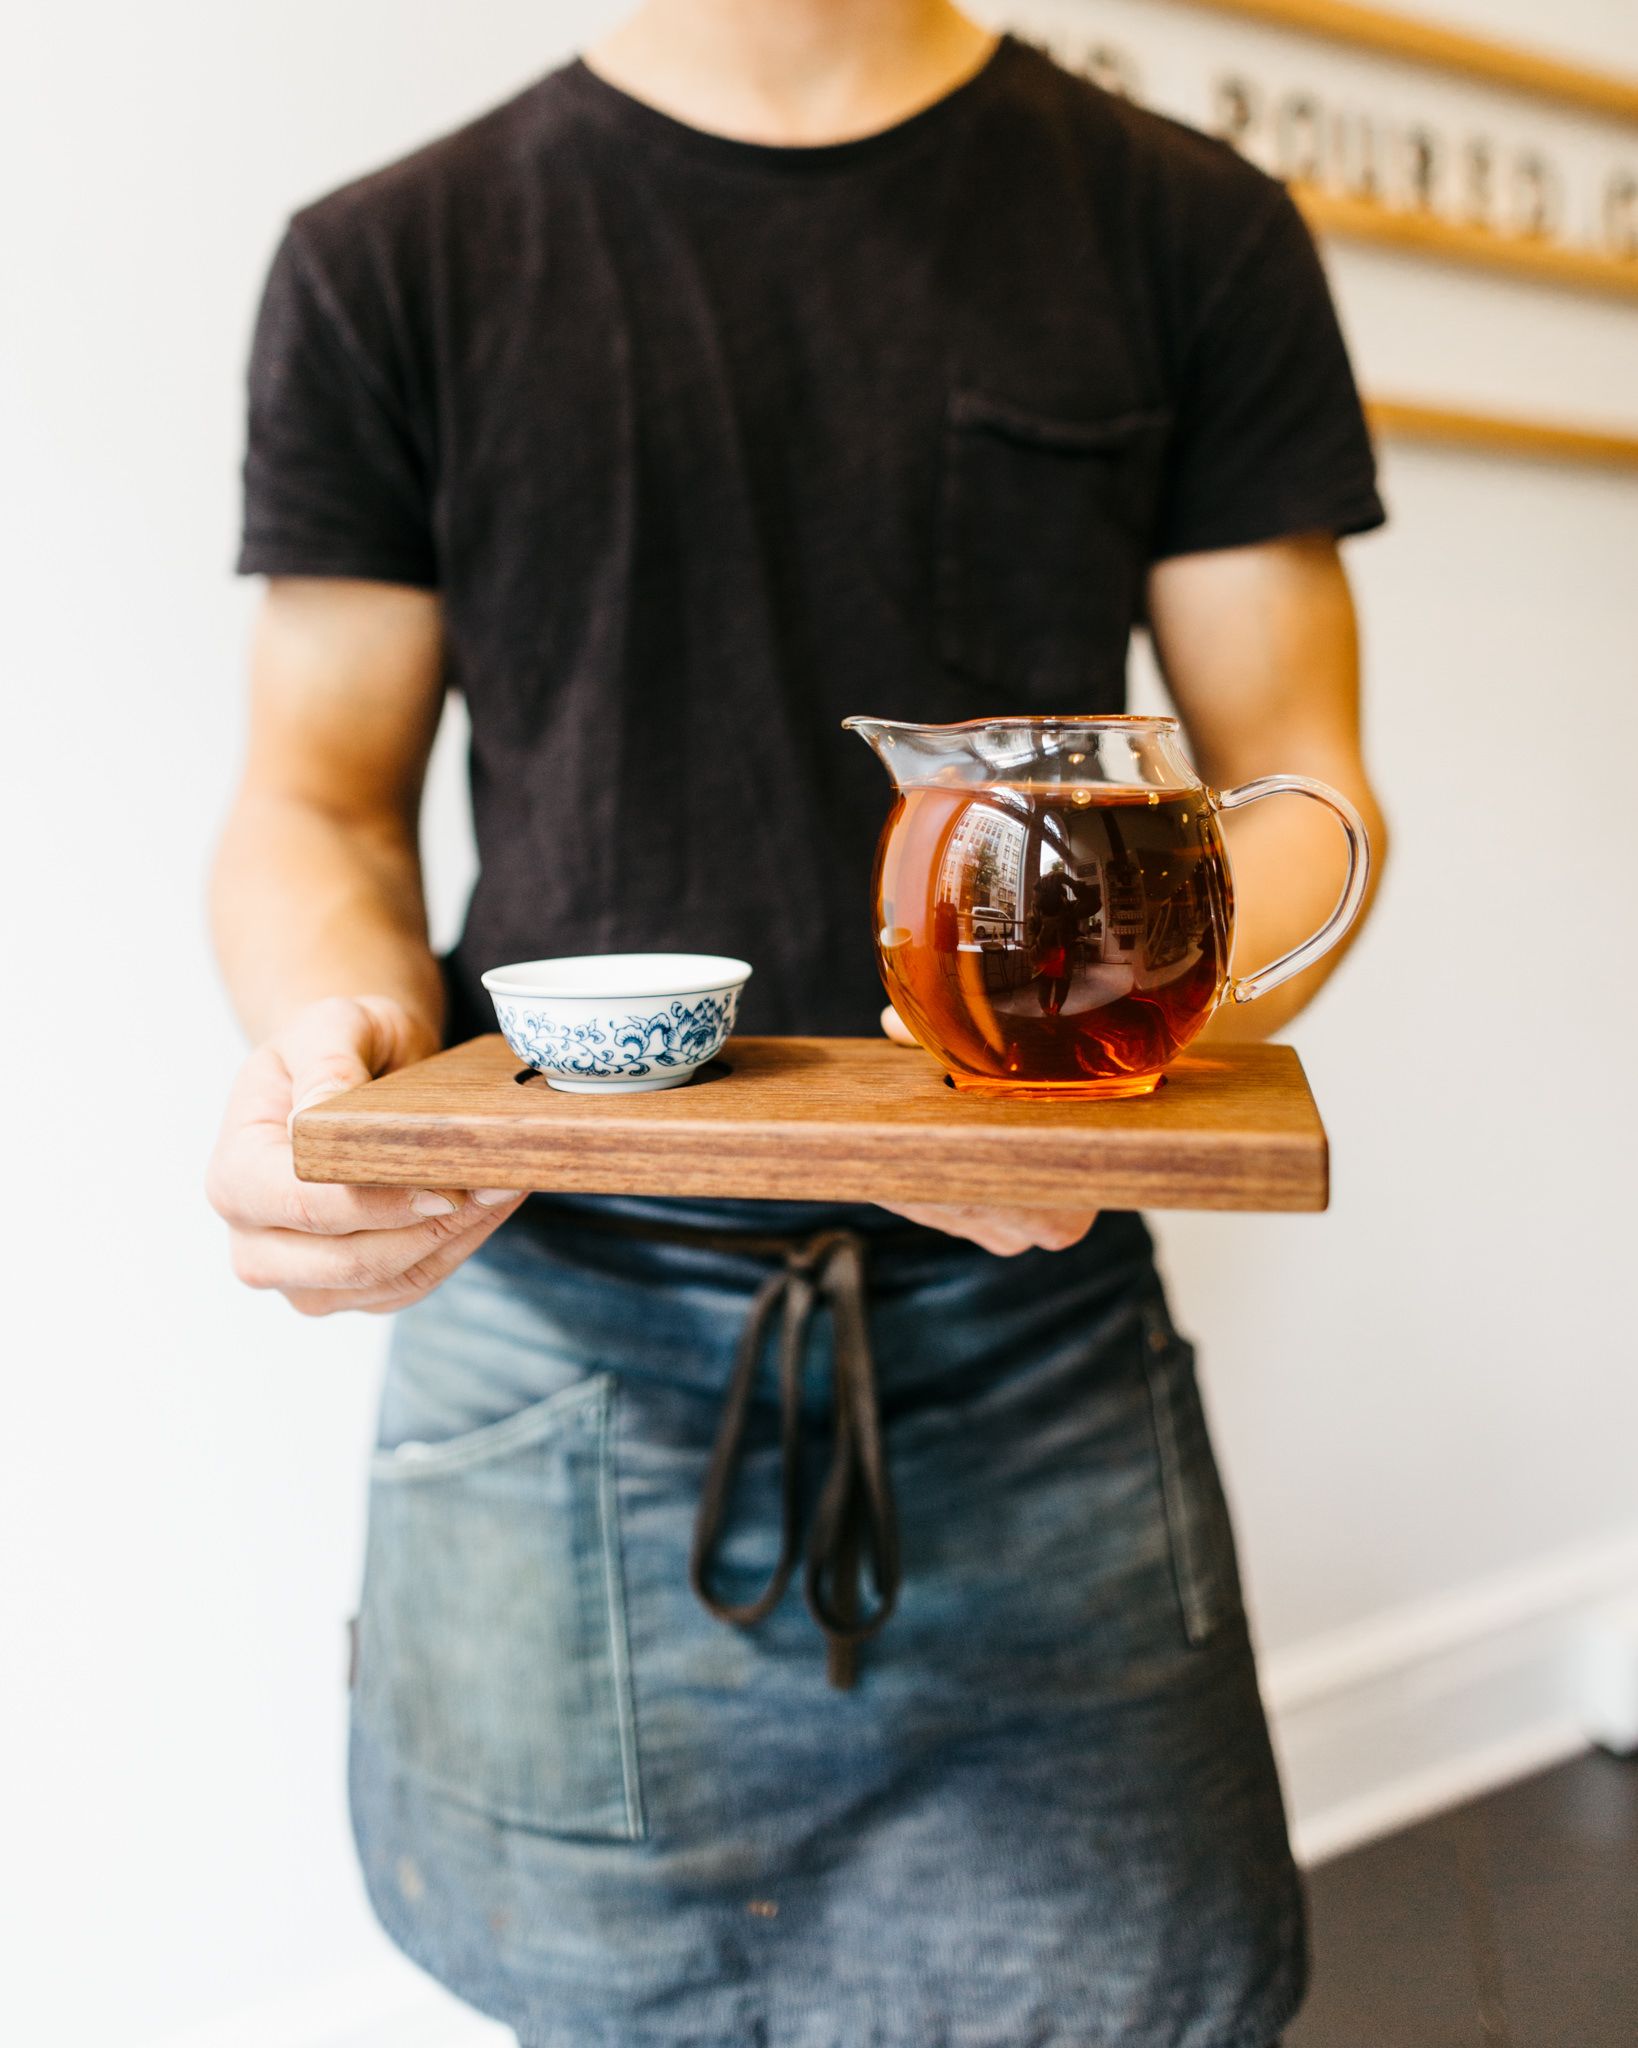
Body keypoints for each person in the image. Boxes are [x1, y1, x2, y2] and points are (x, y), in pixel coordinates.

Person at [206, 3, 1389, 2042]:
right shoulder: (389, 253)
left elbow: (1301, 785)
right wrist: (339, 1051)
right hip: (546, 1355)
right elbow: (314, 791)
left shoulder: (1186, 227)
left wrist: (1106, 1076)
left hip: (1038, 1359)